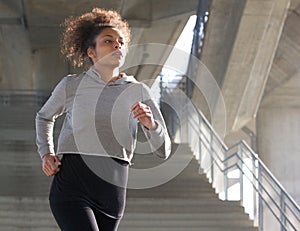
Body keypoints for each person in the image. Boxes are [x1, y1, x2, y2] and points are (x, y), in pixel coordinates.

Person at [35, 7, 171, 231]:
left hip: (113, 192)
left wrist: (151, 125)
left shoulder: (138, 91)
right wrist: (46, 152)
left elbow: (163, 150)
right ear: (92, 52)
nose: (117, 45)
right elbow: (44, 117)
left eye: (120, 41)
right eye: (108, 41)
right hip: (72, 186)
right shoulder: (72, 85)